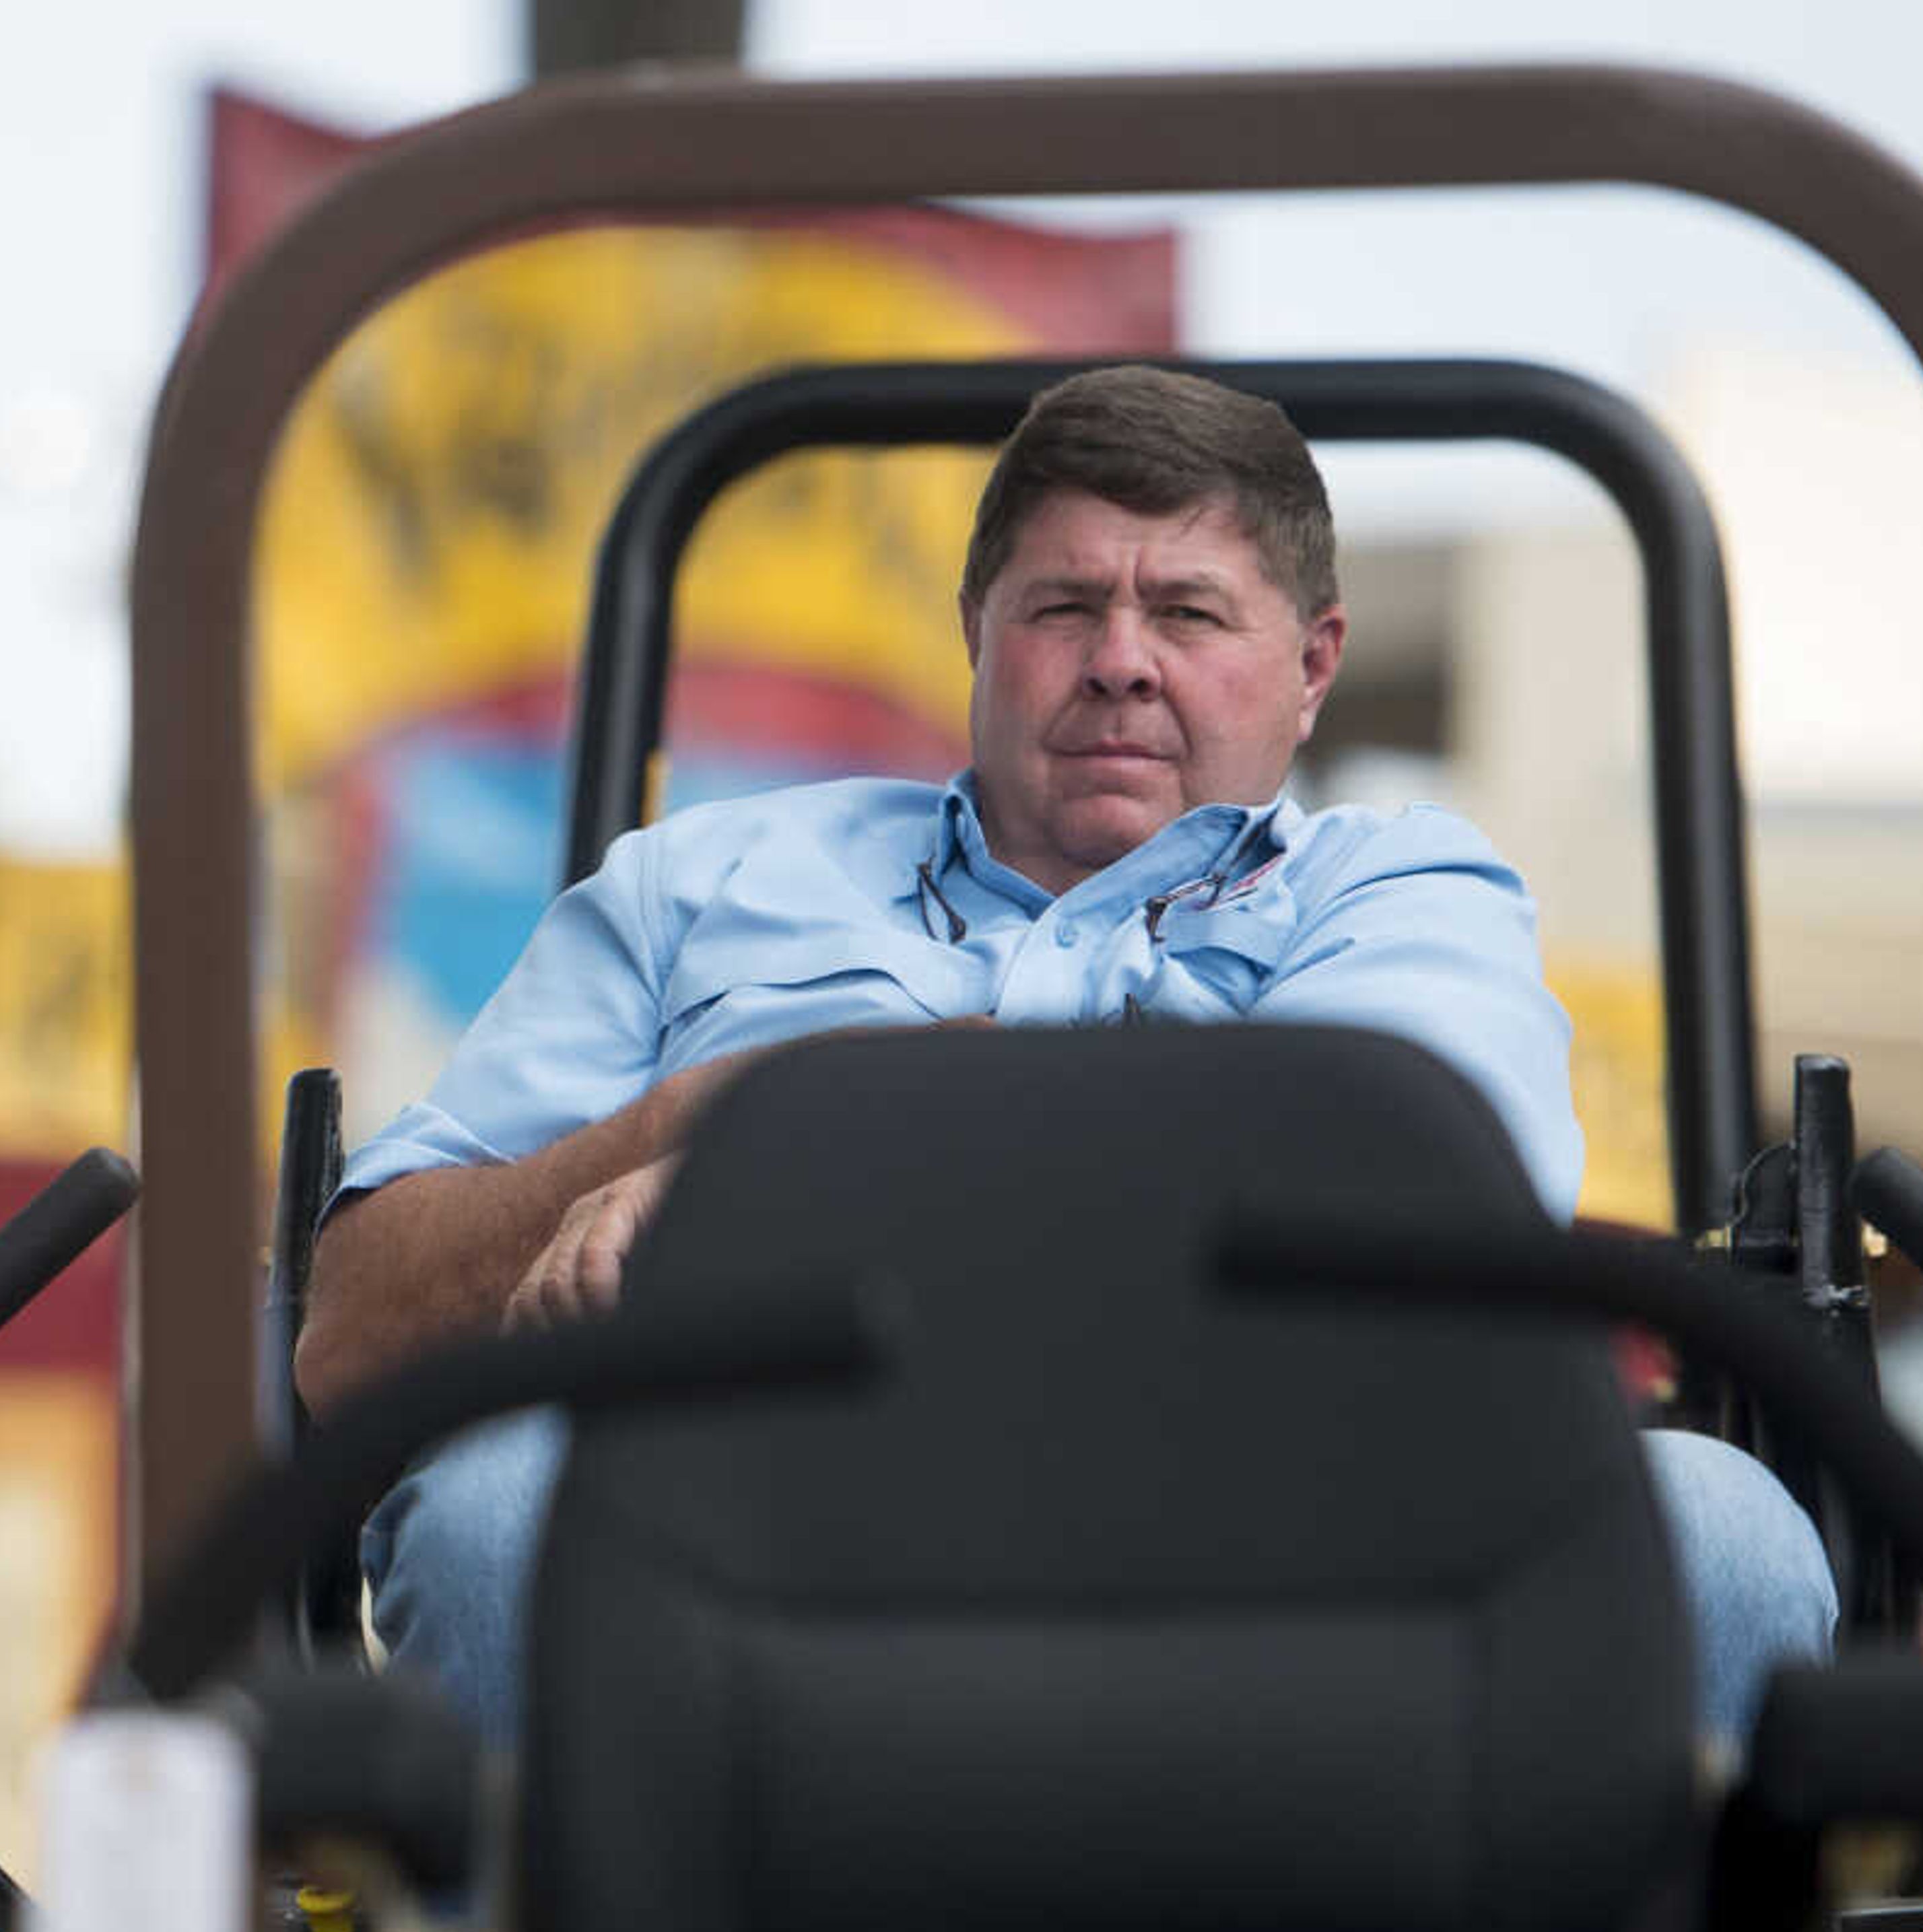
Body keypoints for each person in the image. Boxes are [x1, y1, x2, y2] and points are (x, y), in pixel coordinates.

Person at [297, 365, 1834, 1749]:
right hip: (761, 1515)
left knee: (1728, 1539)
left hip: (1290, 1536)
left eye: (1186, 612)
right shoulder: (694, 884)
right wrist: (681, 1125)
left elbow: (1414, 1213)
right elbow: (351, 1340)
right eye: (1061, 607)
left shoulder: (1399, 889)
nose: (1118, 660)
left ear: (1314, 664)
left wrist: (792, 1169)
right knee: (495, 1520)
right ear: (978, 632)